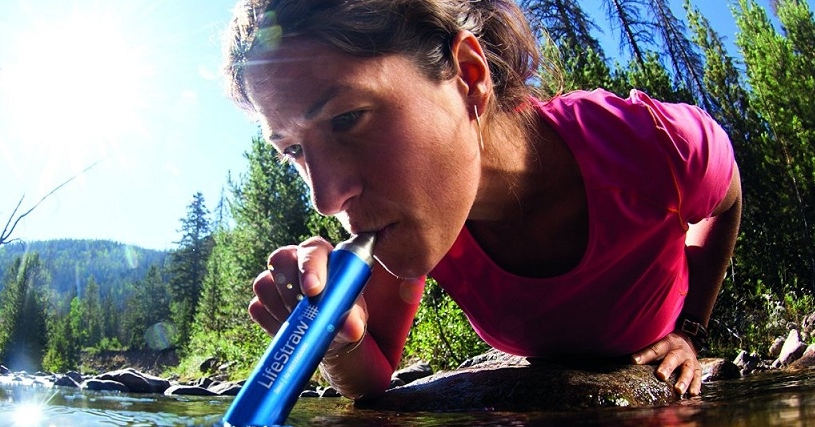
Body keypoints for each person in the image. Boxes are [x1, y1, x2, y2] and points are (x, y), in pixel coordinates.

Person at [222, 0, 742, 401]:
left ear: (469, 76)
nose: (327, 197)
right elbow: (374, 373)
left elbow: (728, 197)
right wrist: (339, 340)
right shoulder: (422, 218)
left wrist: (691, 331)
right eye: (292, 150)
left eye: (345, 119)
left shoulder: (652, 146)